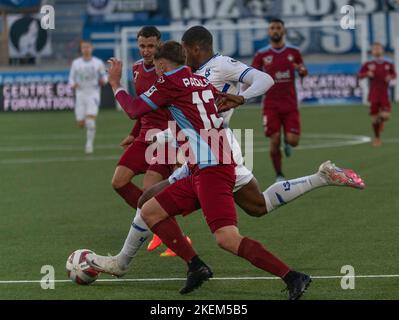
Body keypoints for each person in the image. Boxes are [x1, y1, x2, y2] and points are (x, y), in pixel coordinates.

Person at [89, 40, 314, 300]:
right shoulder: (200, 81)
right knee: (150, 209)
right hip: (204, 166)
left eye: (158, 67)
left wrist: (115, 84)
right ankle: (196, 266)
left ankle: (292, 276)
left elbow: (133, 109)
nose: (157, 72)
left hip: (213, 169)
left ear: (162, 65)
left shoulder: (168, 82)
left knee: (227, 238)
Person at [112, 26, 189, 257]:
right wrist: (135, 133)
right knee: (119, 182)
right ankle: (157, 225)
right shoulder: (136, 68)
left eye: (151, 46)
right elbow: (143, 106)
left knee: (150, 191)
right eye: (142, 46)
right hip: (144, 135)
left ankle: (172, 234)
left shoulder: (165, 72)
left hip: (164, 137)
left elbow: (140, 108)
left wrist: (114, 84)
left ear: (159, 45)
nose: (146, 51)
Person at [251, 18, 308, 182]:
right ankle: (279, 175)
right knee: (274, 140)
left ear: (284, 31)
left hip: (290, 104)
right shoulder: (262, 54)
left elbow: (303, 71)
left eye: (278, 28)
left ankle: (288, 143)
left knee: (293, 141)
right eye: (272, 28)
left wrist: (302, 70)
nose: (275, 30)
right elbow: (252, 74)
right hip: (271, 105)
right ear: (269, 32)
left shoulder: (294, 52)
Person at [68, 40, 108, 154]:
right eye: (83, 47)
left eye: (88, 47)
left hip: (93, 94)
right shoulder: (76, 63)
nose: (86, 49)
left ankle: (89, 145)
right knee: (81, 123)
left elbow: (104, 76)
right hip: (80, 94)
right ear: (81, 49)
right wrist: (73, 84)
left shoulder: (98, 62)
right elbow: (71, 78)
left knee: (90, 121)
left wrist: (103, 81)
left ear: (91, 48)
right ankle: (83, 120)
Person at [358, 42, 397, 146]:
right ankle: (377, 138)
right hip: (373, 95)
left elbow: (394, 74)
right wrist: (367, 74)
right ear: (372, 51)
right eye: (374, 49)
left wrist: (390, 77)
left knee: (386, 116)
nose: (376, 50)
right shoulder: (368, 64)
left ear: (382, 50)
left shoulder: (388, 64)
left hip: (384, 95)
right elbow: (359, 75)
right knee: (374, 119)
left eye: (378, 48)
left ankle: (381, 122)